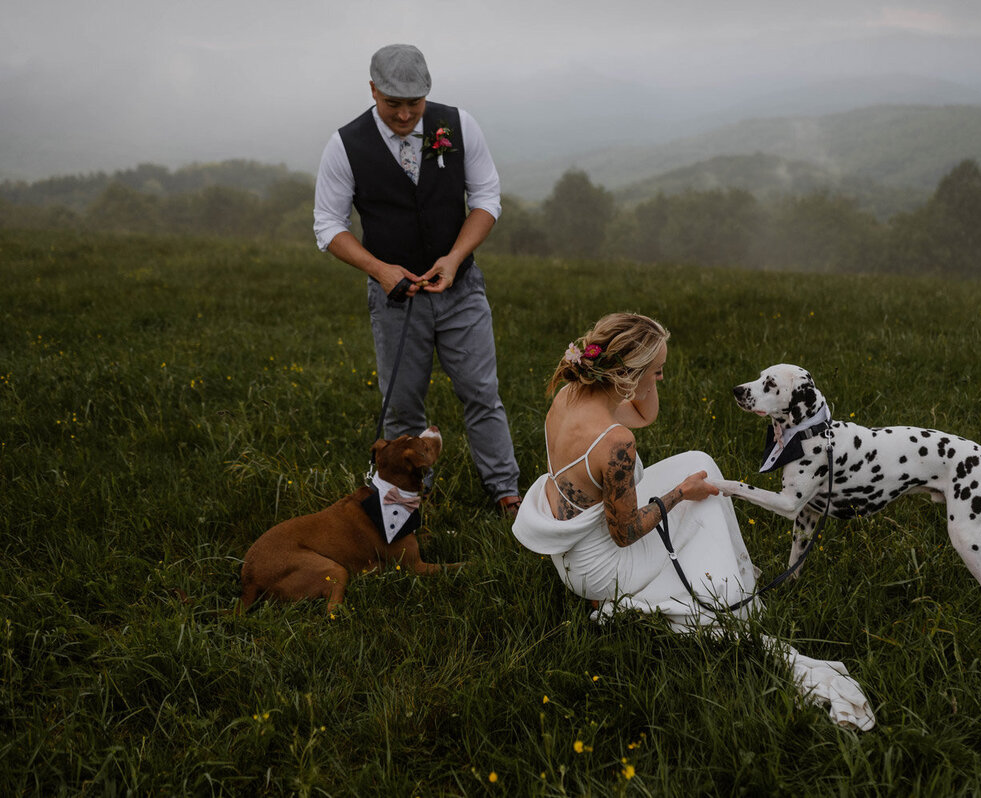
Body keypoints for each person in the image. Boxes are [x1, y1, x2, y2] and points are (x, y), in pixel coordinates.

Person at [512, 313, 876, 730]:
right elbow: (626, 532)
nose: (662, 378)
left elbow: (644, 415)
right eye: (657, 371)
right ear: (630, 374)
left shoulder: (570, 395)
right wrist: (681, 494)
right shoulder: (615, 443)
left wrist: (644, 380)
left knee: (701, 465)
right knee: (700, 495)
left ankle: (719, 567)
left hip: (570, 553)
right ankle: (730, 598)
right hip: (599, 569)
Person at [313, 43, 522, 518]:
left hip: (461, 288)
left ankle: (506, 493)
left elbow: (487, 197)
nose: (405, 115)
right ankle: (405, 505)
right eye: (393, 104)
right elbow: (327, 224)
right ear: (372, 91)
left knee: (481, 394)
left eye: (415, 103)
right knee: (402, 409)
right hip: (394, 299)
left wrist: (454, 257)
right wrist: (380, 270)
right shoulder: (345, 144)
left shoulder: (459, 125)